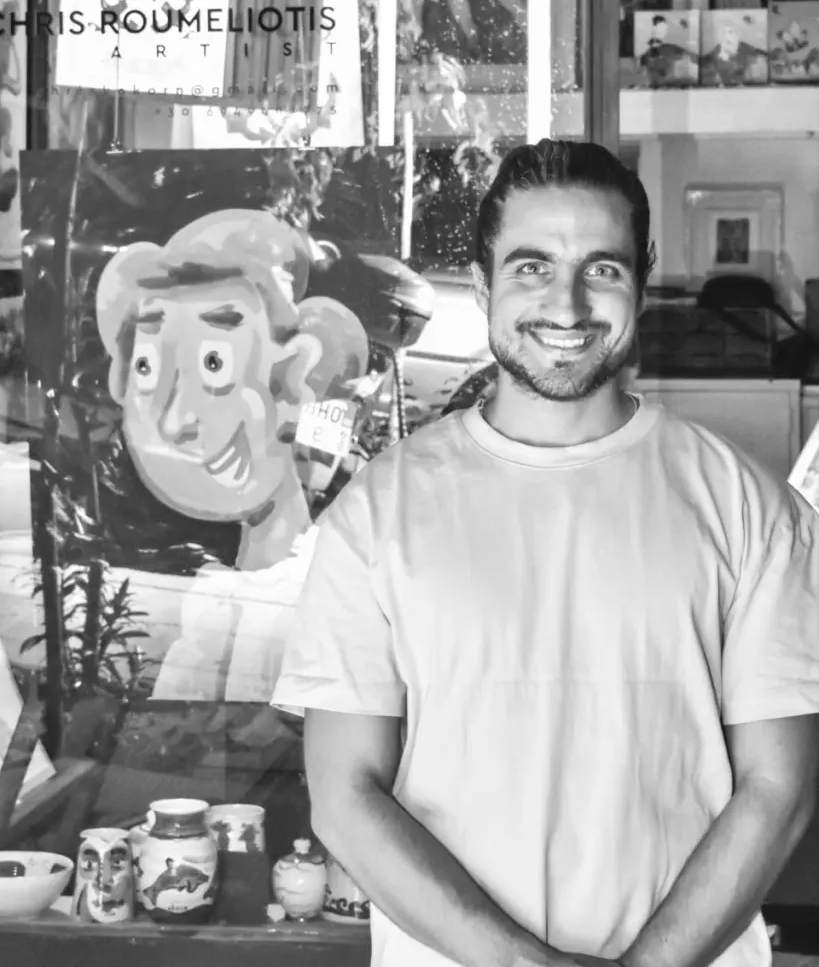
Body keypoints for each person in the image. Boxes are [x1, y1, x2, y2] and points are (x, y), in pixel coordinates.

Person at [272, 139, 819, 967]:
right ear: (483, 283)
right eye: (531, 267)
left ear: (640, 280)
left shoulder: (748, 508)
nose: (566, 305)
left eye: (601, 268)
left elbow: (776, 791)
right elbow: (345, 795)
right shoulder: (379, 512)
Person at [95, 208, 368, 701]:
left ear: (291, 378)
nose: (175, 421)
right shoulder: (217, 597)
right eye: (147, 366)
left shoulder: (316, 602)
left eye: (214, 363)